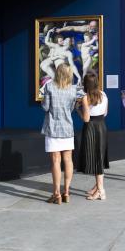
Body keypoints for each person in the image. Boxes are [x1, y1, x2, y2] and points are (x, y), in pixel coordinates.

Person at [41, 63, 78, 205]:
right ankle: (66, 192)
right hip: (67, 128)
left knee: (56, 161)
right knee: (68, 160)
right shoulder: (73, 90)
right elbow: (72, 108)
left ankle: (56, 194)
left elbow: (45, 107)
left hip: (53, 127)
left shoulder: (49, 86)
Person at [77, 72, 109, 200]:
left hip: (91, 129)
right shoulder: (104, 95)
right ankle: (97, 186)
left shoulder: (85, 98)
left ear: (86, 84)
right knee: (100, 157)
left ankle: (101, 190)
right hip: (102, 126)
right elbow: (105, 113)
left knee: (96, 159)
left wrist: (78, 110)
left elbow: (86, 119)